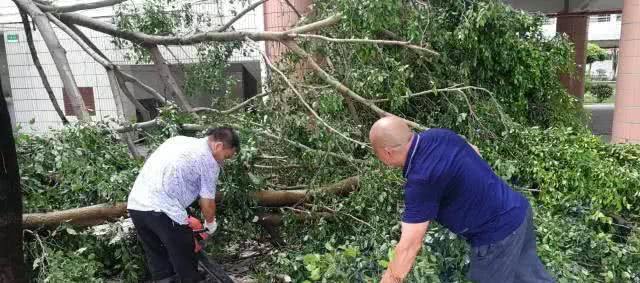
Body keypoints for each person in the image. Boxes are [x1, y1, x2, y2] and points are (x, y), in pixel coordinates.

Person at [369, 117, 554, 283]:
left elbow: (409, 246)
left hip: (497, 238)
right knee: (531, 278)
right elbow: (474, 150)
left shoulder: (421, 180)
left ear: (387, 153)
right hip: (518, 211)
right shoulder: (438, 135)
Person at [127, 127, 240, 283]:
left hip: (137, 205)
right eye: (226, 156)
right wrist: (210, 224)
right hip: (163, 210)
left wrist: (184, 217)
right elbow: (207, 202)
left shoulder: (178, 140)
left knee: (159, 262)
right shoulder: (209, 162)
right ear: (218, 146)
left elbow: (169, 177)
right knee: (186, 265)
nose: (223, 161)